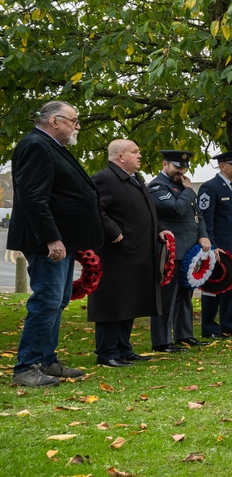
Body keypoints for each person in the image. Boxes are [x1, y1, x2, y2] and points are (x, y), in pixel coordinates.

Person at [9, 101, 103, 387]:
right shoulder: (35, 145)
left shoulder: (52, 146)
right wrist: (51, 237)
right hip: (47, 241)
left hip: (63, 238)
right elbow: (33, 198)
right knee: (46, 301)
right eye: (73, 120)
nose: (77, 126)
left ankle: (47, 360)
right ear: (54, 121)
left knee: (57, 301)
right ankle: (27, 366)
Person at [89, 140, 170, 366]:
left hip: (138, 251)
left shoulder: (135, 178)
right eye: (134, 152)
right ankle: (107, 352)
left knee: (129, 302)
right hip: (116, 252)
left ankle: (123, 348)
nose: (139, 155)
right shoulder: (105, 178)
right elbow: (95, 209)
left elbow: (147, 211)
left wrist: (160, 231)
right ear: (120, 156)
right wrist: (113, 231)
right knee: (113, 303)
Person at [149, 150, 213, 352]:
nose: (182, 171)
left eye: (184, 167)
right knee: (166, 297)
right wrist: (188, 190)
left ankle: (184, 334)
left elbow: (198, 214)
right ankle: (162, 341)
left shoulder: (183, 188)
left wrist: (203, 235)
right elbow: (174, 208)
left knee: (185, 295)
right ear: (164, 165)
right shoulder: (157, 186)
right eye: (177, 167)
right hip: (171, 250)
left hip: (190, 249)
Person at [198, 150, 232, 339]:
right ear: (222, 166)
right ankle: (210, 327)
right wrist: (212, 245)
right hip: (219, 249)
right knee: (214, 289)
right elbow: (205, 220)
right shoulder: (210, 188)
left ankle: (229, 324)